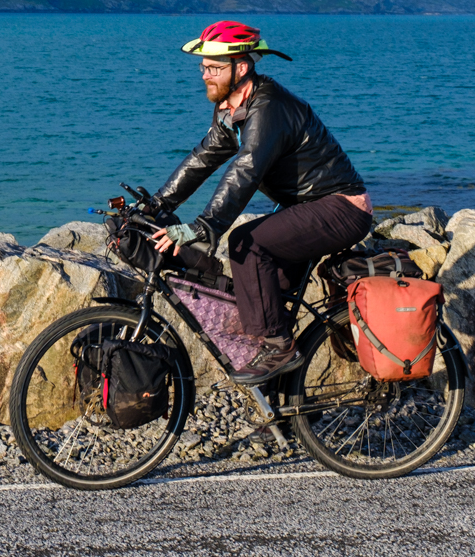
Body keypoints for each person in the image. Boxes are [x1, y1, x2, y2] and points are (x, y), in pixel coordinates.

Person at [149, 20, 374, 385]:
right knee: (260, 297)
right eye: (204, 66)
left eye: (215, 68)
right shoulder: (232, 106)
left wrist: (204, 226)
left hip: (341, 207)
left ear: (242, 67)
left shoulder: (269, 107)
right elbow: (203, 158)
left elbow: (246, 169)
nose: (206, 75)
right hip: (306, 207)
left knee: (245, 245)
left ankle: (280, 348)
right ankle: (290, 402)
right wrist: (156, 204)